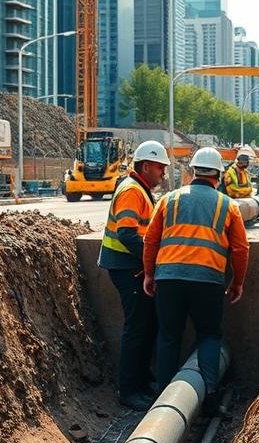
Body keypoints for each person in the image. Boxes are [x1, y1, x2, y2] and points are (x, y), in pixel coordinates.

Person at [142, 146, 249, 415]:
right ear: (220, 175)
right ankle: (209, 398)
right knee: (209, 335)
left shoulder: (169, 200)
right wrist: (237, 282)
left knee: (168, 337)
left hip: (168, 279)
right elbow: (240, 249)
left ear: (192, 172)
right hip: (209, 281)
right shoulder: (229, 205)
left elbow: (151, 239)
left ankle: (162, 400)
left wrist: (148, 273)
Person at [97, 140, 169, 411]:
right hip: (127, 269)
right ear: (147, 165)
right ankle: (129, 390)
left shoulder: (141, 190)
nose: (163, 172)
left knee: (147, 325)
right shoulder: (131, 191)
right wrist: (151, 264)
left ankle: (143, 380)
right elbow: (127, 233)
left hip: (132, 268)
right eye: (161, 167)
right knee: (137, 328)